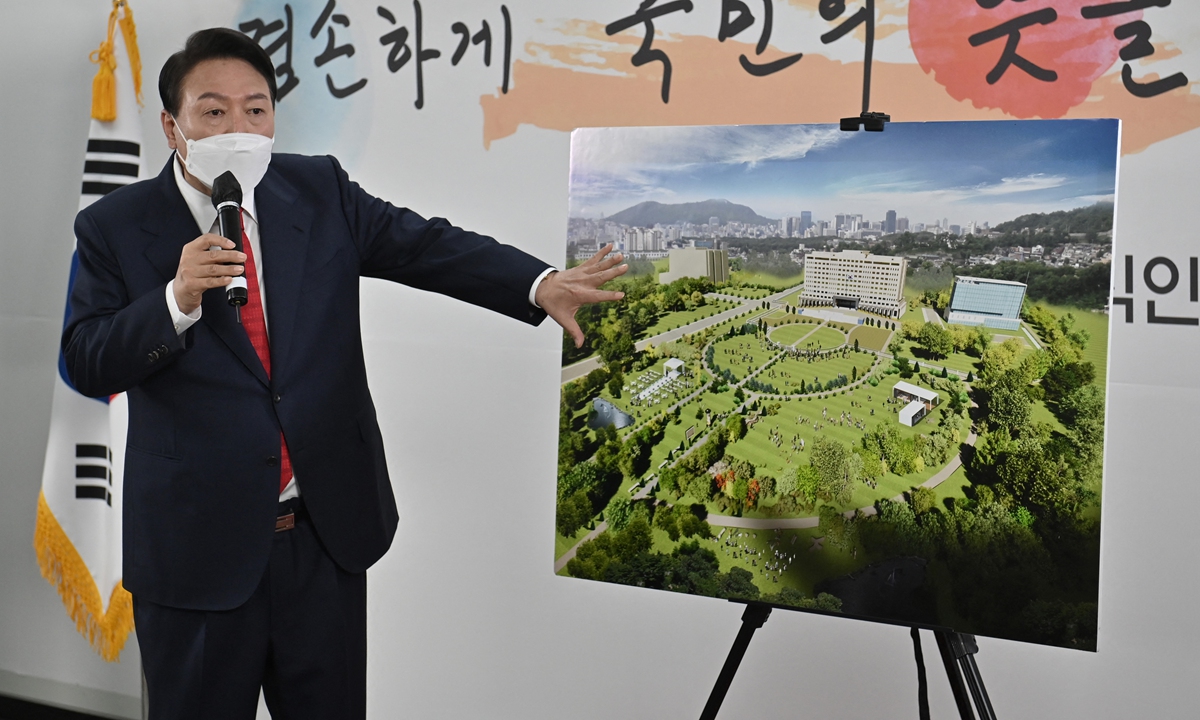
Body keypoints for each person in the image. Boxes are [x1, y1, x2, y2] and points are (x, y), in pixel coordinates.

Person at [62, 28, 625, 720]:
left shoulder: (317, 188)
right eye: (214, 112)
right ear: (173, 126)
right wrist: (173, 301)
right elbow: (85, 360)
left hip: (321, 537)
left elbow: (426, 245)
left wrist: (536, 284)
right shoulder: (115, 227)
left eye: (256, 109)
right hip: (195, 554)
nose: (239, 126)